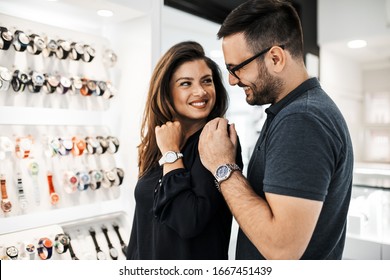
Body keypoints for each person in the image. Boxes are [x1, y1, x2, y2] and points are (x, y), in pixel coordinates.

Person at [198, 0, 354, 260]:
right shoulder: (292, 111)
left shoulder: (302, 119)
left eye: (236, 68)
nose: (232, 80)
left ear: (275, 58)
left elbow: (282, 248)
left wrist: (222, 167)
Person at [127, 41, 243, 260]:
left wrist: (171, 155)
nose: (200, 91)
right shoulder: (159, 141)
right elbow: (141, 228)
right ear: (166, 91)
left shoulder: (218, 140)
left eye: (207, 81)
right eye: (185, 84)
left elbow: (187, 221)